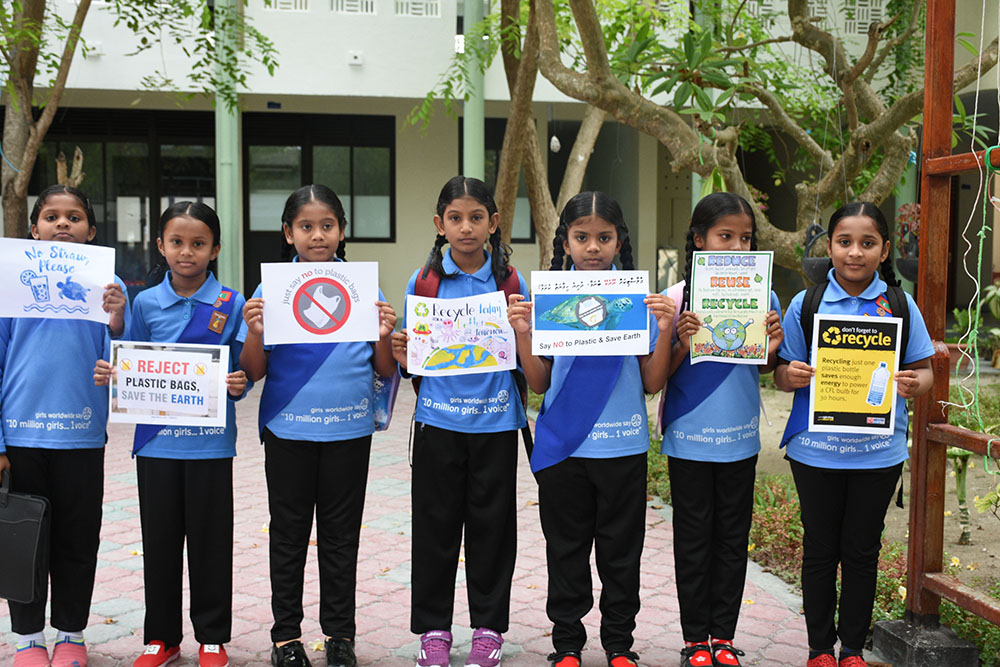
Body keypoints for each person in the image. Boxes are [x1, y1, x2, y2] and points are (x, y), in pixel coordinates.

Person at [507, 191, 674, 667]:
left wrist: (663, 329)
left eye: (604, 237)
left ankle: (619, 644)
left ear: (619, 241)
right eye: (582, 237)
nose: (593, 247)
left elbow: (651, 382)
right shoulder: (551, 302)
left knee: (622, 554)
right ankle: (567, 644)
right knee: (566, 552)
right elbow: (539, 382)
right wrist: (523, 333)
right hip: (563, 448)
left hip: (623, 446)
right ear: (566, 242)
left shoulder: (637, 302)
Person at [238, 184, 397, 667]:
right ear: (288, 233)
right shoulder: (270, 291)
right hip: (288, 431)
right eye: (306, 227)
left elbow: (385, 369)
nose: (317, 235)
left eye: (327, 226)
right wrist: (254, 332)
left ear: (342, 231)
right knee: (288, 536)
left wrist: (384, 334)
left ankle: (340, 636)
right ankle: (285, 637)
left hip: (349, 432)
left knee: (341, 538)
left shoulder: (364, 288)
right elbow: (254, 370)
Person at [774, 202, 934, 667]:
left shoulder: (900, 305)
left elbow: (925, 371)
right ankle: (819, 649)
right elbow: (781, 373)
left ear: (884, 250)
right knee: (820, 550)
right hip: (816, 451)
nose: (855, 253)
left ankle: (852, 650)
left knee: (863, 552)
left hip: (878, 453)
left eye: (868, 243)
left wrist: (914, 383)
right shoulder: (806, 305)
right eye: (845, 242)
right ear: (829, 247)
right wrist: (791, 376)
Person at [94, 201, 248, 667]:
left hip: (210, 444)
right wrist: (114, 370)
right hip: (156, 443)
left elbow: (242, 368)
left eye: (198, 243)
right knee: (159, 541)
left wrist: (239, 383)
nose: (186, 252)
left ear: (215, 249)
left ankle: (212, 638)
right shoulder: (144, 302)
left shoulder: (232, 303)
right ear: (161, 245)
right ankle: (161, 637)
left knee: (211, 542)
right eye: (177, 242)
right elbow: (132, 359)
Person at [390, 176, 528, 667]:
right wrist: (402, 353)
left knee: (494, 530)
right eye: (455, 218)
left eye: (476, 218)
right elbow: (413, 362)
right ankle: (434, 631)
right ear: (439, 224)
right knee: (435, 529)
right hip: (438, 424)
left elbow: (525, 352)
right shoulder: (423, 282)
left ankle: (489, 629)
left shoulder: (512, 283)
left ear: (493, 223)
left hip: (496, 424)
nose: (465, 228)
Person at [0, 185, 129, 667]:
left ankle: (71, 633)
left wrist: (118, 318)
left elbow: (125, 357)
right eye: (51, 216)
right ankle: (28, 638)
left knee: (78, 538)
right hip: (21, 434)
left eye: (73, 217)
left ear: (91, 231)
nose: (62, 224)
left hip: (81, 432)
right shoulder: (10, 281)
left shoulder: (109, 285)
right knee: (23, 539)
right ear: (33, 229)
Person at [658, 192, 783, 667]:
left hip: (740, 438)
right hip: (689, 439)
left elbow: (766, 367)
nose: (736, 246)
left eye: (745, 238)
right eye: (724, 236)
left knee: (733, 539)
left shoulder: (765, 296)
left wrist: (773, 344)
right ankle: (695, 639)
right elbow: (657, 377)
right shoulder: (676, 299)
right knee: (692, 541)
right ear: (699, 239)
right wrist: (679, 340)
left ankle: (723, 637)